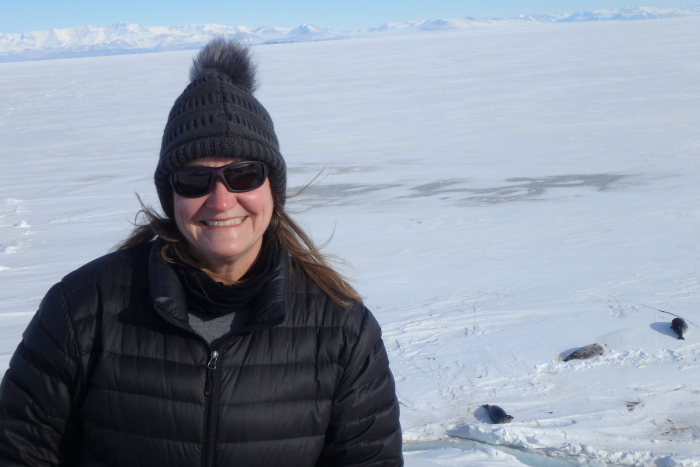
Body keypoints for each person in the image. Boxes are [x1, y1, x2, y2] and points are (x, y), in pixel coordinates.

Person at [0, 38, 403, 466]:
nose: (221, 199)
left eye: (243, 174)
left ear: (273, 188)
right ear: (170, 196)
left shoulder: (340, 327)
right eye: (194, 180)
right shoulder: (83, 308)